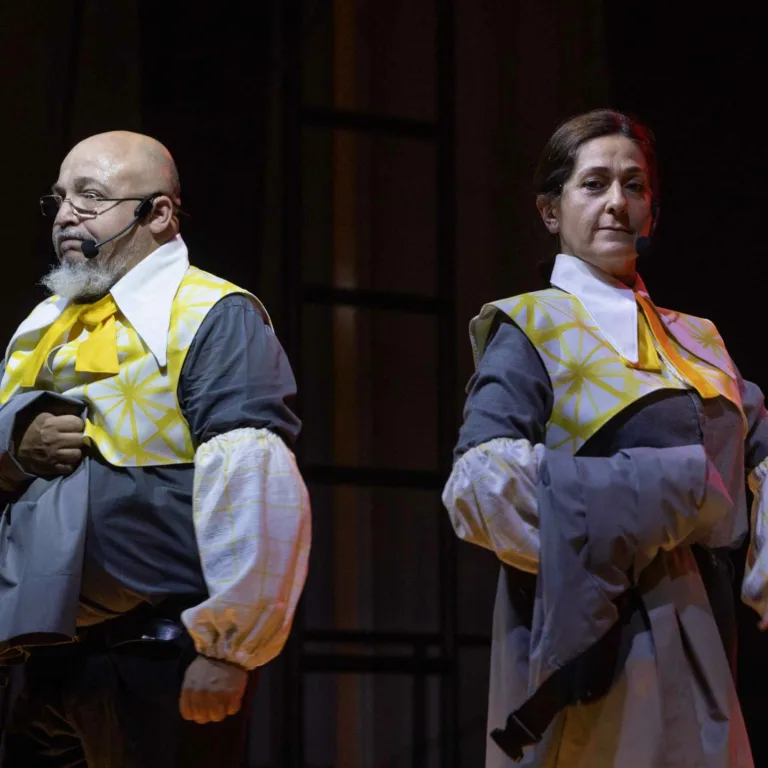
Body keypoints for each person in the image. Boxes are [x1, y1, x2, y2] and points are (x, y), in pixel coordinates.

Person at [442, 109, 768, 767]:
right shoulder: (532, 325)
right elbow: (476, 487)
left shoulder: (697, 339)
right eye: (594, 184)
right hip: (589, 630)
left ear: (653, 212)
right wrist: (661, 493)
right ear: (550, 211)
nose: (617, 202)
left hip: (703, 627)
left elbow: (757, 456)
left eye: (635, 185)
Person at [0, 131, 311, 767]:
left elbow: (255, 477)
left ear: (159, 214)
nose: (65, 214)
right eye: (60, 198)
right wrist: (15, 445)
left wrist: (227, 648)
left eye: (91, 198)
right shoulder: (39, 325)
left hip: (154, 653)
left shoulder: (210, 313)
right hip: (37, 660)